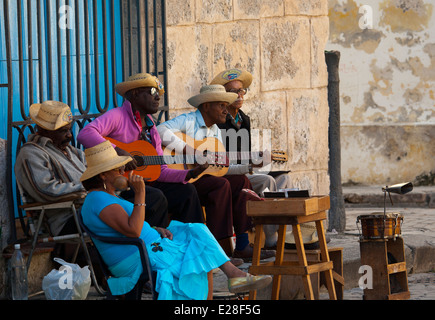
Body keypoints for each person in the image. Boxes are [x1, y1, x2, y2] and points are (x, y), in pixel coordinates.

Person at [79, 140, 272, 299]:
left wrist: (155, 229)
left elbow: (127, 227)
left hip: (149, 245)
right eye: (117, 169)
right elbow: (133, 231)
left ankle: (233, 274)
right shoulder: (97, 198)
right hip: (136, 257)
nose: (123, 171)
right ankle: (232, 276)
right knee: (198, 253)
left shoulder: (108, 197)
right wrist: (140, 194)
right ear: (103, 174)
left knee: (197, 230)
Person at [157, 84, 275, 262]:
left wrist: (251, 165)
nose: (225, 110)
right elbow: (159, 131)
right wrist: (191, 151)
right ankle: (218, 251)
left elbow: (222, 168)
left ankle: (242, 245)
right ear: (206, 106)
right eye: (221, 105)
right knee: (221, 185)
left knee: (241, 181)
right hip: (184, 179)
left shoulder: (216, 131)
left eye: (225, 106)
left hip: (204, 179)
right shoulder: (188, 120)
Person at [77, 73, 206, 229]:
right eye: (152, 92)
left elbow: (161, 171)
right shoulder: (117, 115)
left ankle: (192, 242)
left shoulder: (152, 128)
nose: (158, 98)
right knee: (155, 197)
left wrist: (191, 173)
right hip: (119, 186)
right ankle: (154, 245)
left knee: (187, 192)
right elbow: (85, 133)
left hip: (146, 184)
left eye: (159, 94)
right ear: (135, 93)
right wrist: (118, 151)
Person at [14, 100, 87, 239]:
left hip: (92, 208)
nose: (70, 135)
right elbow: (45, 190)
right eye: (63, 131)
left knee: (136, 196)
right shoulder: (31, 153)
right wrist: (88, 189)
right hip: (68, 220)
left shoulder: (73, 152)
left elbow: (94, 173)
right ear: (44, 131)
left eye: (69, 129)